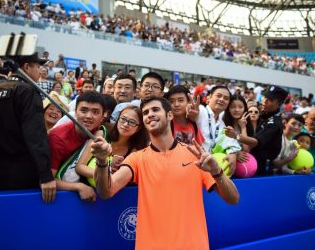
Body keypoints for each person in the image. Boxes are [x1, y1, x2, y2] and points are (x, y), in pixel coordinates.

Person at [93, 96, 239, 250]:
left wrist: (217, 172)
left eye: (155, 109)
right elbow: (106, 191)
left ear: (169, 115)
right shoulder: (137, 158)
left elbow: (233, 198)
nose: (150, 114)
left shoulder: (195, 155)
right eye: (146, 112)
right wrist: (102, 162)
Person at [0, 52, 56, 202]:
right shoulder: (28, 90)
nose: (40, 71)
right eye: (37, 66)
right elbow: (35, 135)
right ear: (26, 67)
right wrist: (46, 175)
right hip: (25, 172)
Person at [48, 91, 105, 201]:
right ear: (75, 112)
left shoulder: (99, 131)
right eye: (83, 110)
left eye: (95, 112)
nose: (89, 116)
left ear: (102, 116)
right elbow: (48, 181)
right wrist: (78, 187)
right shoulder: (58, 138)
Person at [76, 105, 149, 180]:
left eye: (132, 122)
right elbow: (80, 167)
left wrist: (120, 173)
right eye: (123, 119)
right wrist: (106, 173)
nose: (125, 124)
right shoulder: (102, 134)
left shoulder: (136, 150)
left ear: (138, 128)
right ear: (118, 119)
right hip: (88, 187)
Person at [250, 85, 288, 175]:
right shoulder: (265, 115)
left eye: (269, 100)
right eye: (264, 97)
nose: (264, 101)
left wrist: (237, 136)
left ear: (278, 104)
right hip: (253, 163)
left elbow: (255, 142)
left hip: (261, 170)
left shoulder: (274, 122)